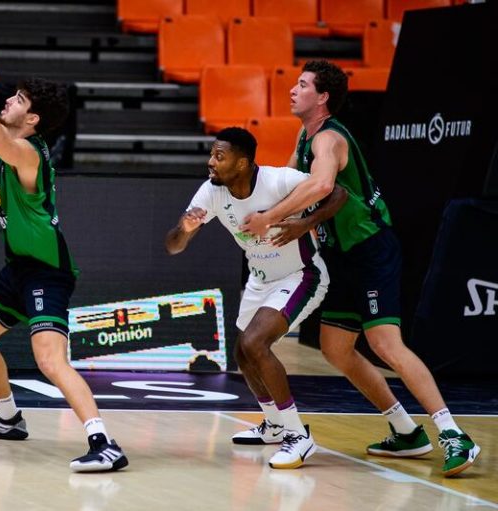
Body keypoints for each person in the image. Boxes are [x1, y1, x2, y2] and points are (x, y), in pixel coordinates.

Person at [242, 59, 480, 477]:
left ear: (323, 97)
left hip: (370, 249)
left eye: (303, 85)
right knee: (336, 349)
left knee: (385, 343)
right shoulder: (304, 136)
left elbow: (320, 185)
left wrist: (270, 218)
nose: (293, 89)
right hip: (340, 255)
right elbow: (287, 182)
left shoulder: (329, 139)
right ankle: (406, 431)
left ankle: (453, 433)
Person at [0, 33, 128, 473]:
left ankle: (104, 443)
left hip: (48, 271)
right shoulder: (10, 145)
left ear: (33, 119)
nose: (9, 100)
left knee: (49, 360)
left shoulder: (27, 153)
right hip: (20, 267)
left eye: (19, 99)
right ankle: (7, 417)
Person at [165, 127, 347, 469]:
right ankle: (274, 425)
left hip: (301, 275)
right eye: (211, 154)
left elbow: (338, 194)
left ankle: (298, 435)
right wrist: (184, 232)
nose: (211, 162)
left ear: (242, 162)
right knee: (242, 352)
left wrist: (304, 223)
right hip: (260, 279)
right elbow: (173, 247)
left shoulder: (279, 181)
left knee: (255, 343)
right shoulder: (211, 192)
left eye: (219, 156)